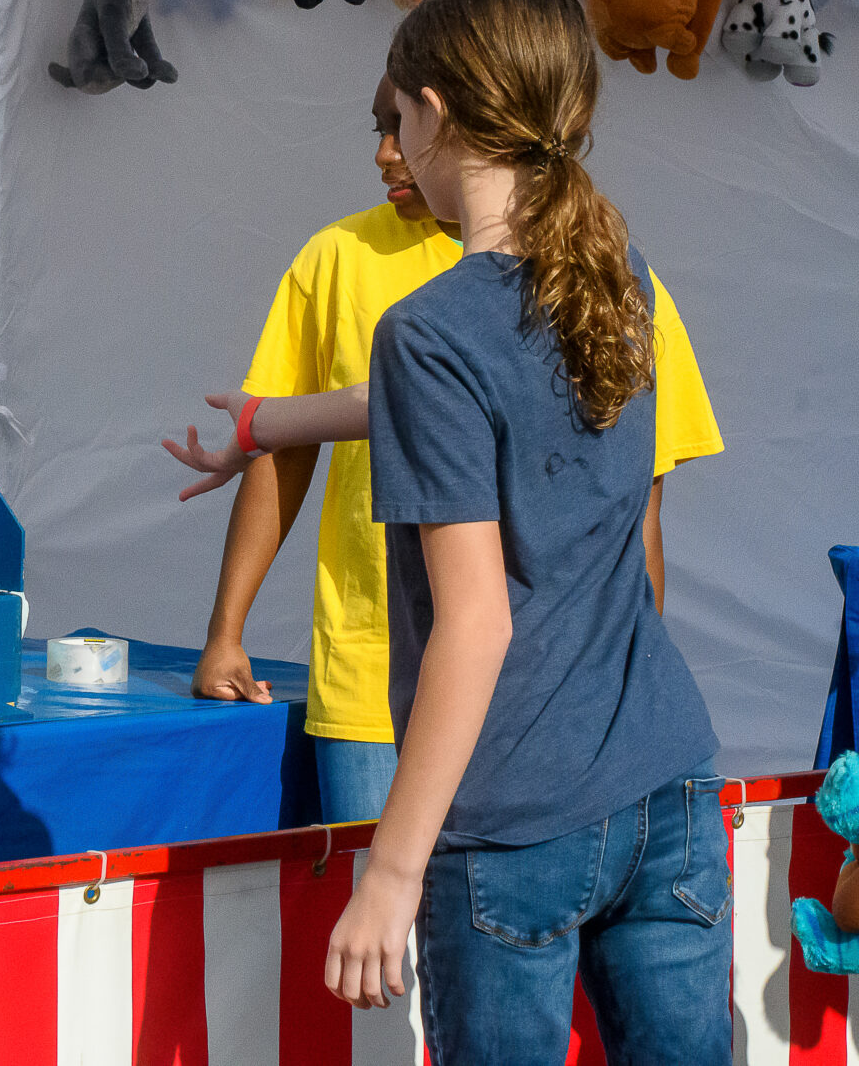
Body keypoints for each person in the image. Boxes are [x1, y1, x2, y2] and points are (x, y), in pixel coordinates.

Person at [168, 0, 730, 1061]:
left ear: (433, 112)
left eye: (393, 117)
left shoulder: (428, 329)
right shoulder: (615, 272)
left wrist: (390, 870)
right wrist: (270, 423)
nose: (389, 143)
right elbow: (467, 387)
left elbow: (475, 622)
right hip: (666, 785)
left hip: (512, 819)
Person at [174, 74, 721, 826]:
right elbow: (296, 443)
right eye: (378, 126)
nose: (384, 152)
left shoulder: (606, 276)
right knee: (401, 899)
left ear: (457, 120)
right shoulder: (338, 257)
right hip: (374, 687)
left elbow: (639, 501)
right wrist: (224, 632)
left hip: (544, 703)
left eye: (400, 124)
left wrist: (622, 686)